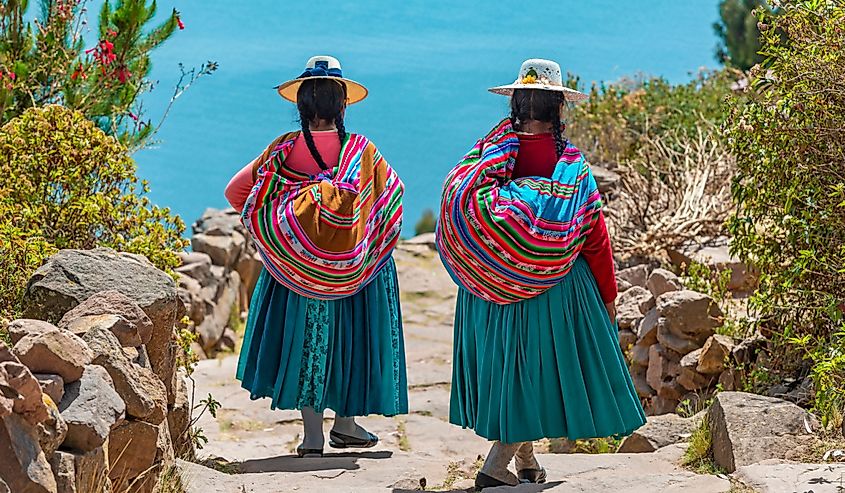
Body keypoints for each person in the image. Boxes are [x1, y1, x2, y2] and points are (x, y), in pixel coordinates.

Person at [437, 59, 646, 490]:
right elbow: (595, 237)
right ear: (559, 108)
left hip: (490, 290)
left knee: (513, 373)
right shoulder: (570, 166)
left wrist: (484, 265)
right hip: (553, 290)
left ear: (516, 104)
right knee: (536, 373)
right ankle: (496, 466)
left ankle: (527, 460)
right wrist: (608, 296)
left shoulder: (487, 153)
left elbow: (458, 200)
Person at [225, 55, 407, 458]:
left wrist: (284, 230)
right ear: (343, 106)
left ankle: (312, 437)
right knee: (351, 339)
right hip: (356, 273)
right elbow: (392, 199)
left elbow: (236, 192)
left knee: (308, 341)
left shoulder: (283, 151)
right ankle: (346, 424)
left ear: (301, 106)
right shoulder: (362, 152)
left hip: (297, 273)